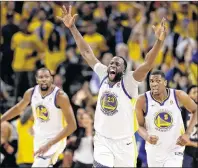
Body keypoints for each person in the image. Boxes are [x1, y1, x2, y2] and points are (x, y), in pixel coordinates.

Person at [57, 5, 167, 167]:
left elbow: (148, 63)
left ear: (124, 69)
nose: (113, 64)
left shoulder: (129, 80)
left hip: (125, 143)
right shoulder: (102, 73)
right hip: (102, 140)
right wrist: (72, 27)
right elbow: (87, 52)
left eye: (118, 63)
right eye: (112, 62)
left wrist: (158, 41)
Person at [0, 67, 77, 167]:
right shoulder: (31, 93)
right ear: (36, 79)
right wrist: (1, 119)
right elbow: (18, 108)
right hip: (39, 140)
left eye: (46, 76)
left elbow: (72, 126)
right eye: (41, 77)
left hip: (55, 140)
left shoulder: (60, 96)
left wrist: (50, 143)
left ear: (51, 79)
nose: (44, 79)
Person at [135, 70, 197, 167]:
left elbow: (195, 110)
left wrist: (187, 133)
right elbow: (139, 125)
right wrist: (146, 136)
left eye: (158, 81)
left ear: (165, 82)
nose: (154, 84)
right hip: (154, 150)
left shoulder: (178, 96)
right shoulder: (142, 100)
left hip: (175, 148)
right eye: (151, 81)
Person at [182, 85, 198, 168]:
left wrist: (191, 143)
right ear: (188, 96)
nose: (197, 94)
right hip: (187, 153)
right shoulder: (182, 111)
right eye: (194, 92)